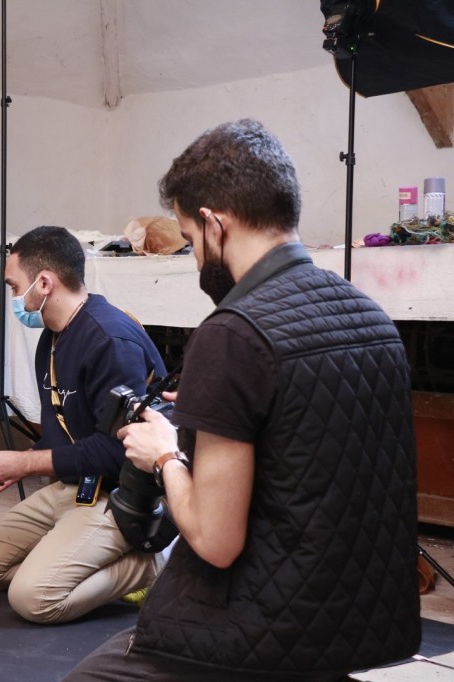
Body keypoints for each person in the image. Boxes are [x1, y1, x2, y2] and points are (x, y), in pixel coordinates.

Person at [65, 119, 421, 680]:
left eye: (189, 241)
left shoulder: (233, 334)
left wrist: (164, 454)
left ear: (214, 224)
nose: (194, 258)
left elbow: (215, 541)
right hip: (368, 624)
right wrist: (214, 408)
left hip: (266, 630)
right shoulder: (372, 317)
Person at [0, 226, 168, 624]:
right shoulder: (54, 338)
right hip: (75, 486)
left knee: (33, 600)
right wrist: (14, 468)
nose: (13, 296)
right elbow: (67, 431)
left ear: (44, 283)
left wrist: (24, 464)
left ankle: (151, 565)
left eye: (13, 285)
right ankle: (71, 564)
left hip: (118, 494)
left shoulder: (110, 339)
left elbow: (119, 452)